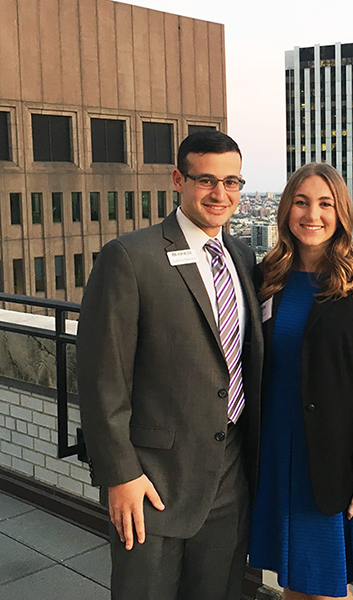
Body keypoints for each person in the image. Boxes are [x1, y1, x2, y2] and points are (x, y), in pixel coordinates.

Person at [77, 130, 263, 600]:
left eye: (232, 182)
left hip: (230, 475)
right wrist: (119, 474)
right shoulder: (130, 257)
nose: (220, 194)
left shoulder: (242, 256)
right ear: (178, 180)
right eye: (206, 180)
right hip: (152, 480)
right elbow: (102, 378)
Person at [248, 163, 353, 599]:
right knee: (295, 585)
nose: (312, 215)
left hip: (332, 461)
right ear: (285, 210)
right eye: (301, 202)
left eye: (325, 204)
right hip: (275, 454)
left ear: (341, 213)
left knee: (327, 589)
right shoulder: (266, 277)